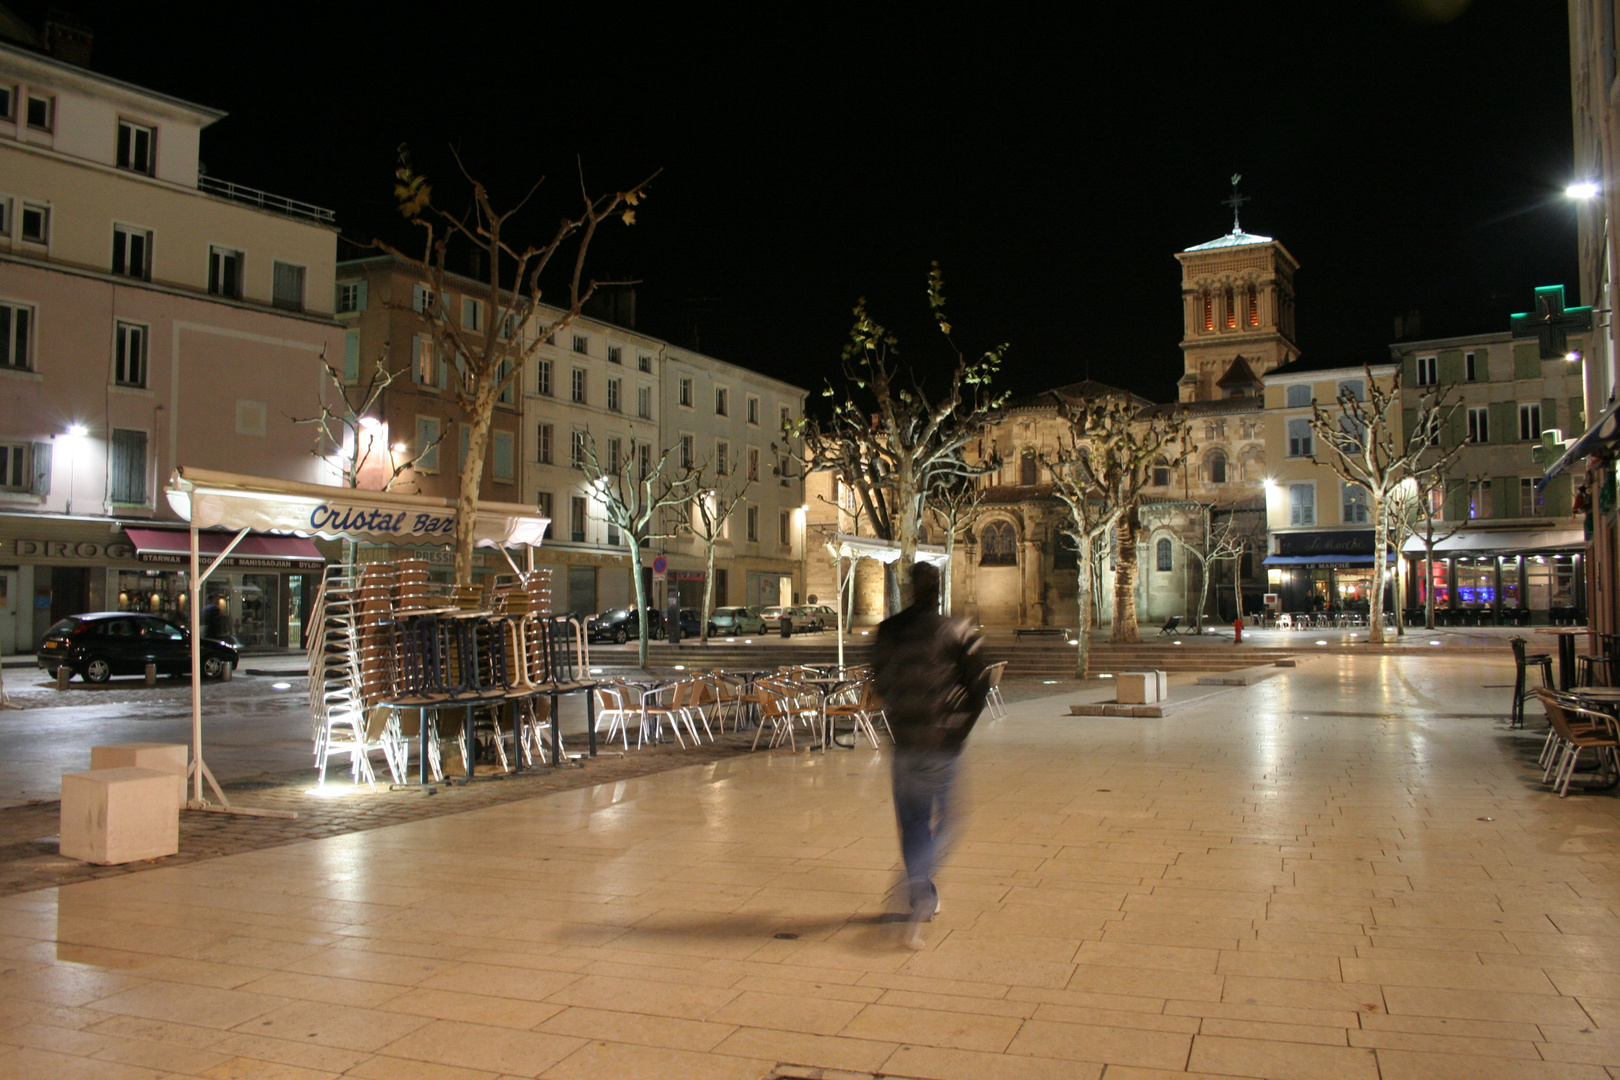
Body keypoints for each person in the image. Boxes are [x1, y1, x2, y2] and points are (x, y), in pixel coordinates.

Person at [871, 561, 991, 949]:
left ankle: (921, 892)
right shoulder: (957, 630)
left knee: (914, 823)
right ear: (937, 591)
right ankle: (918, 880)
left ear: (909, 590)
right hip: (941, 745)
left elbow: (880, 681)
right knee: (951, 820)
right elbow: (980, 684)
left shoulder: (888, 632)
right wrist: (960, 731)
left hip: (904, 742)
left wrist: (898, 714)